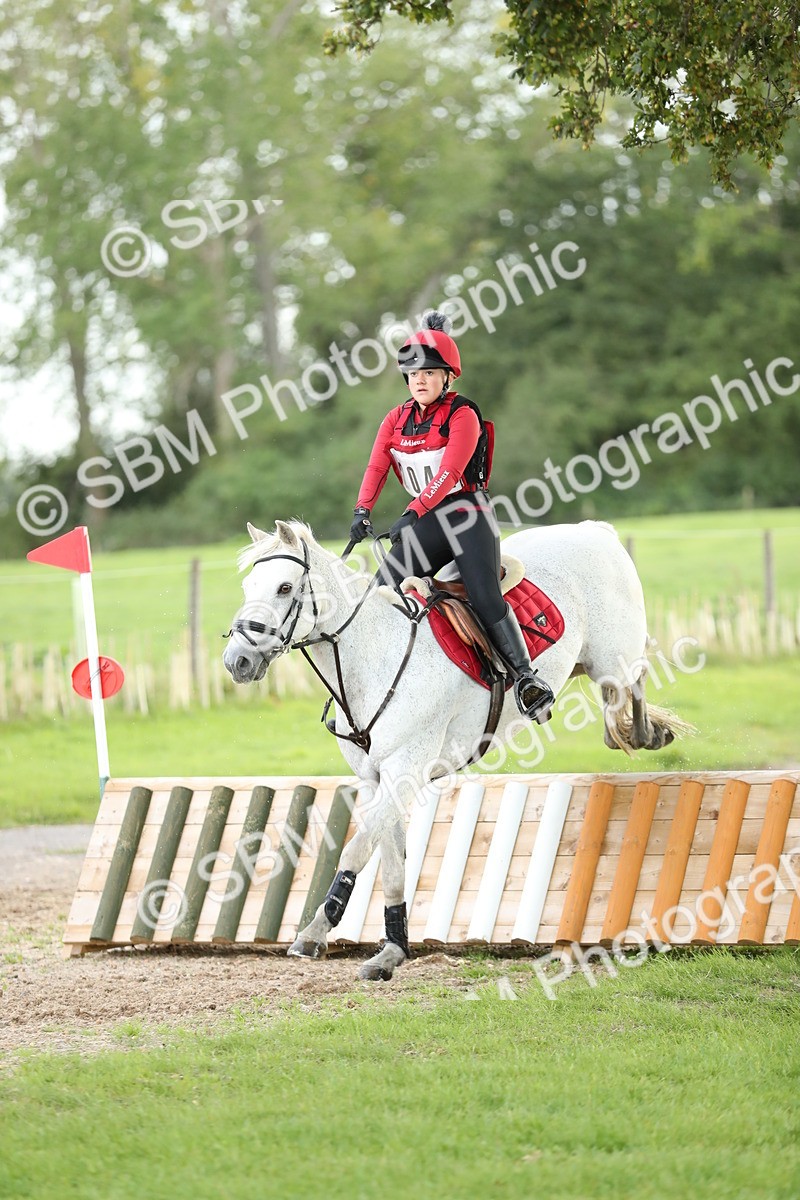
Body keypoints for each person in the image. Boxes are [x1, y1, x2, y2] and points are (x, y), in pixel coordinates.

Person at [348, 311, 554, 723]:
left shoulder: (463, 415)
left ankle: (527, 678)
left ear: (447, 377)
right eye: (412, 375)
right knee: (378, 596)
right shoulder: (395, 419)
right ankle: (368, 692)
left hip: (465, 516)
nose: (419, 380)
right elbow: (377, 467)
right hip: (424, 520)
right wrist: (362, 509)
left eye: (429, 372)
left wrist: (414, 510)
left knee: (482, 593)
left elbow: (452, 472)